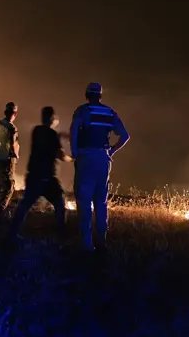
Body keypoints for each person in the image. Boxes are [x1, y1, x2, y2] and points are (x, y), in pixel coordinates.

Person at [70, 82, 130, 255]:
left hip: (86, 157)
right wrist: (111, 150)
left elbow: (74, 129)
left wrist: (75, 151)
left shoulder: (83, 111)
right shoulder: (110, 113)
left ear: (86, 94)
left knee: (84, 199)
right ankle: (102, 241)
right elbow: (125, 135)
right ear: (101, 96)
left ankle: (87, 244)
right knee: (101, 201)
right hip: (103, 158)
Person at [7, 106, 72, 243]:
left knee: (24, 206)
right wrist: (73, 158)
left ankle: (11, 235)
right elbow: (60, 155)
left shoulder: (36, 131)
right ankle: (62, 237)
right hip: (47, 179)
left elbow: (50, 135)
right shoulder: (51, 135)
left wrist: (61, 135)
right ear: (52, 119)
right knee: (60, 205)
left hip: (34, 176)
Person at [0, 101, 19, 221]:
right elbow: (13, 145)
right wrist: (15, 156)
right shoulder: (12, 128)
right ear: (14, 114)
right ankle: (0, 212)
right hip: (6, 159)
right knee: (9, 186)